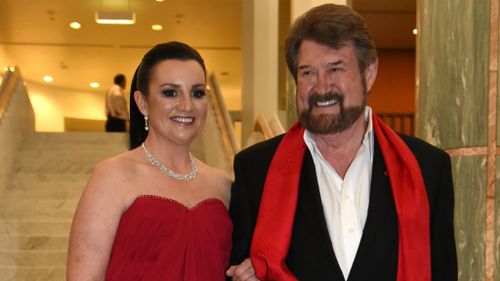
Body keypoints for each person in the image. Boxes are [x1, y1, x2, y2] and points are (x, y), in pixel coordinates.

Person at [227, 4, 457, 281]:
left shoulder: (428, 168)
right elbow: (238, 270)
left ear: (368, 73)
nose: (322, 87)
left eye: (335, 69)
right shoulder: (255, 170)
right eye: (307, 73)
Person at [67, 42, 233, 281]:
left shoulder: (223, 185)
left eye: (197, 93)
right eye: (170, 92)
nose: (187, 105)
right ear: (142, 102)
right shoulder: (113, 175)